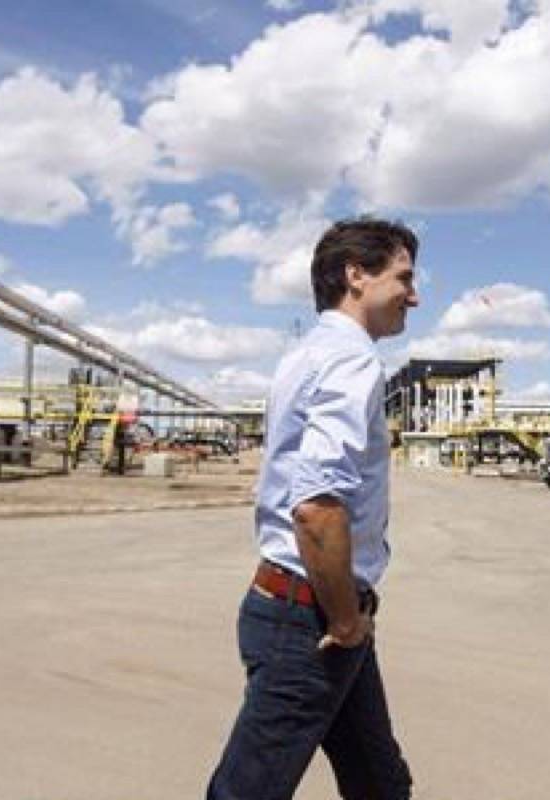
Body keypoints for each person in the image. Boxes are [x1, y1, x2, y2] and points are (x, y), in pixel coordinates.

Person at [207, 218, 421, 799]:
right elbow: (317, 507)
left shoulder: (306, 354)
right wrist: (347, 620)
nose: (414, 294)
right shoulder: (351, 361)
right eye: (404, 277)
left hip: (322, 612)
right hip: (315, 619)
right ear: (357, 276)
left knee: (379, 783)